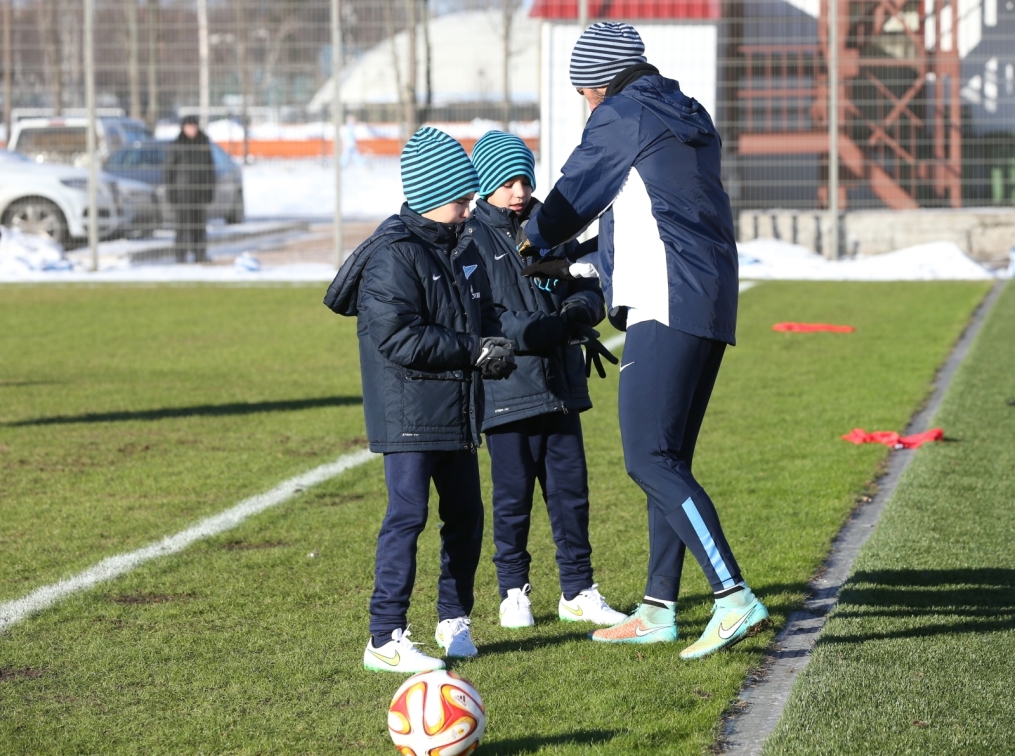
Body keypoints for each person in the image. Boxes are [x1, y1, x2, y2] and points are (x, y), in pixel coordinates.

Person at [516, 22, 769, 659]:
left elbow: (571, 197)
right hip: (706, 297)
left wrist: (528, 242)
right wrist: (574, 258)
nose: (583, 102)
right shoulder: (682, 111)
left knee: (646, 460)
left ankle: (733, 595)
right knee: (668, 462)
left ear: (595, 82)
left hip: (667, 298)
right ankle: (659, 607)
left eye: (582, 90)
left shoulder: (620, 114)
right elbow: (642, 212)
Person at [324, 126, 516, 674]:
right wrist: (473, 351)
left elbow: (478, 316)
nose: (470, 207)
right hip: (409, 412)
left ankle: (454, 619)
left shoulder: (454, 247)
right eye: (462, 199)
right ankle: (385, 637)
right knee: (407, 518)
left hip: (453, 407)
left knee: (465, 516)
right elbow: (399, 337)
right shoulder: (395, 255)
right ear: (434, 197)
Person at [466, 130, 625, 630]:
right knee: (512, 502)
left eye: (525, 180)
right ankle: (513, 593)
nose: (519, 191)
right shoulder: (471, 240)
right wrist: (546, 328)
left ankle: (578, 590)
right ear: (486, 183)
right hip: (508, 393)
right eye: (507, 182)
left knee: (571, 496)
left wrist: (581, 307)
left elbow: (585, 283)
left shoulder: (548, 229)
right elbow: (485, 318)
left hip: (559, 390)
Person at [164, 115, 215, 263]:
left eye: (194, 126)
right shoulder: (177, 145)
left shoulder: (203, 143)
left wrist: (209, 189)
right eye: (189, 126)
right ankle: (180, 256)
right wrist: (171, 192)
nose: (192, 129)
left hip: (199, 193)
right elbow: (168, 171)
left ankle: (200, 254)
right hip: (182, 193)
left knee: (199, 226)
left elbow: (210, 169)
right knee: (182, 227)